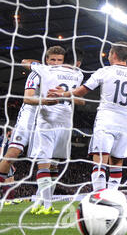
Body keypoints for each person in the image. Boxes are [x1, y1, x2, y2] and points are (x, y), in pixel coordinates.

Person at [48, 41, 127, 194]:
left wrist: (63, 94)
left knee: (100, 162)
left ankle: (100, 197)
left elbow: (81, 91)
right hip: (125, 124)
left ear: (113, 54)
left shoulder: (104, 71)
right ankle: (112, 197)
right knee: (117, 163)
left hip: (106, 121)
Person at [0, 46, 66, 211]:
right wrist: (45, 101)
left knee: (49, 163)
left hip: (46, 120)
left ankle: (44, 203)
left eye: (59, 60)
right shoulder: (37, 73)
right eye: (52, 60)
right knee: (12, 155)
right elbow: (27, 99)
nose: (55, 63)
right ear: (46, 60)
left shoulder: (62, 77)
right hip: (28, 118)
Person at [26, 46, 84, 215]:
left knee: (44, 163)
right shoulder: (79, 74)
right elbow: (81, 101)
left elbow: (24, 63)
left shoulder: (45, 70)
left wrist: (33, 64)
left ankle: (46, 204)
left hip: (47, 120)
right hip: (66, 122)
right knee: (54, 165)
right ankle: (41, 201)